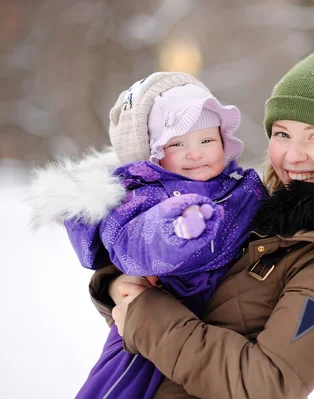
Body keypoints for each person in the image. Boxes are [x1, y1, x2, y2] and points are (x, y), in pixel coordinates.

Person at [88, 47, 314, 398]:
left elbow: (267, 386)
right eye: (282, 133)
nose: (294, 155)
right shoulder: (262, 210)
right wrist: (120, 283)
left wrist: (143, 312)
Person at [29, 72, 267, 398]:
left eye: (207, 140)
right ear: (151, 153)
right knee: (117, 386)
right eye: (177, 144)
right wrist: (174, 230)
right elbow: (130, 244)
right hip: (152, 314)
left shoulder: (241, 186)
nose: (195, 153)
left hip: (208, 330)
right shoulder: (144, 194)